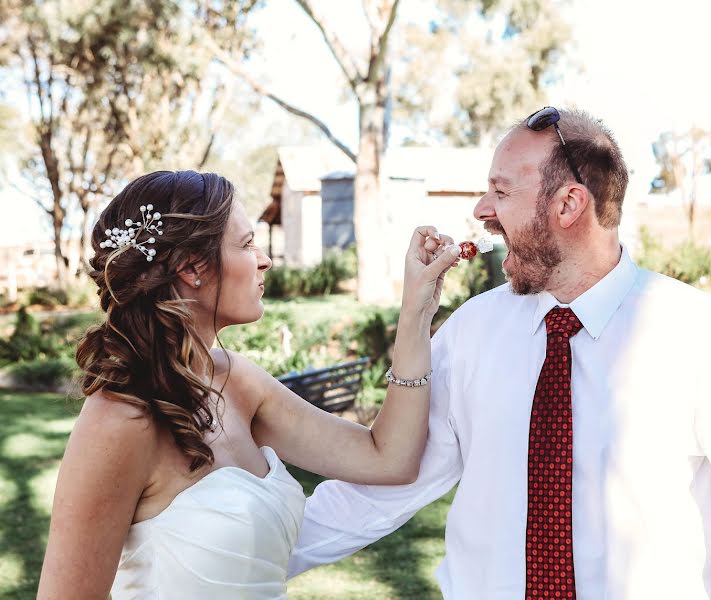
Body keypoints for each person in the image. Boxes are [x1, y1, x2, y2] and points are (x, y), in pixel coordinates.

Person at [289, 108, 711, 598]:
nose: (481, 211)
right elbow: (381, 488)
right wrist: (241, 552)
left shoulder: (704, 336)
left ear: (569, 203)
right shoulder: (470, 332)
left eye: (500, 192)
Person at [37, 170, 462, 599]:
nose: (265, 259)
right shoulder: (119, 420)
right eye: (245, 244)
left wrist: (416, 313)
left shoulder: (237, 381)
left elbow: (388, 458)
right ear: (191, 268)